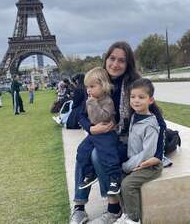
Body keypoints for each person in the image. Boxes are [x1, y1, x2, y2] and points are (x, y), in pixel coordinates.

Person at [70, 41, 166, 224]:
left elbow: (158, 121)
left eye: (121, 60)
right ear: (106, 59)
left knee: (99, 153)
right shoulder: (95, 80)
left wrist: (158, 155)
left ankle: (113, 208)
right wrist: (91, 128)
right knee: (84, 151)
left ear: (127, 63)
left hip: (124, 141)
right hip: (101, 134)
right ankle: (79, 207)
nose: (115, 64)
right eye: (112, 58)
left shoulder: (134, 84)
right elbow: (79, 113)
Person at [116, 78, 163, 224]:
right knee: (118, 180)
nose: (136, 100)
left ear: (151, 100)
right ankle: (125, 214)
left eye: (141, 97)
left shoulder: (150, 124)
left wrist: (128, 166)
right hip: (136, 162)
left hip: (149, 165)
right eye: (133, 96)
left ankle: (134, 219)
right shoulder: (135, 116)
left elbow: (148, 153)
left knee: (128, 184)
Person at [76, 67, 121, 195]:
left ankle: (114, 178)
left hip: (107, 134)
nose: (88, 90)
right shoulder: (91, 100)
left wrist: (92, 103)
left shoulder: (107, 101)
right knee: (82, 150)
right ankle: (90, 172)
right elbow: (84, 116)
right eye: (87, 87)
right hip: (95, 134)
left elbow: (102, 117)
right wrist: (91, 127)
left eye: (92, 86)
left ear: (104, 86)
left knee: (108, 154)